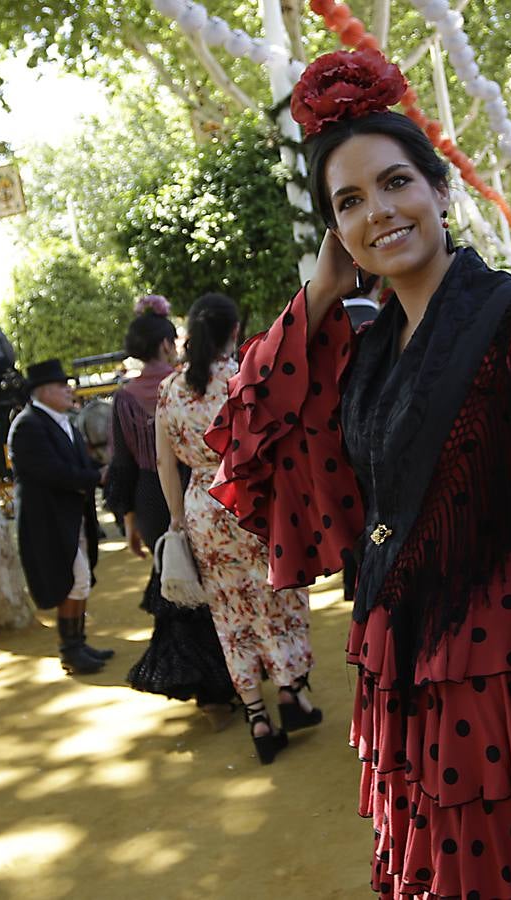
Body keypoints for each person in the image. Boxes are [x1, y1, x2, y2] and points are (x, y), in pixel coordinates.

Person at [206, 49, 511, 898]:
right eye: (349, 203)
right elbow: (252, 429)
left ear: (442, 190)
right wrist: (320, 294)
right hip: (399, 670)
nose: (379, 213)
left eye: (395, 183)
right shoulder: (362, 352)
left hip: (507, 674)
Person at [156, 292, 321, 765]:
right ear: (234, 331)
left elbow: (167, 467)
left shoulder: (169, 391)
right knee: (278, 598)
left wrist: (176, 520)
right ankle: (292, 694)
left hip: (202, 510)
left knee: (231, 615)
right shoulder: (243, 379)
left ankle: (257, 716)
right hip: (253, 503)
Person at [110, 296, 237, 722]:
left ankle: (204, 687)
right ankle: (232, 678)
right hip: (202, 489)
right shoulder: (190, 383)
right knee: (219, 588)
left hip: (150, 499)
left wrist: (127, 519)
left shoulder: (124, 396)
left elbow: (122, 465)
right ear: (168, 344)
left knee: (180, 589)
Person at [8, 359, 108, 676]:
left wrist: (95, 472)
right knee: (73, 579)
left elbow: (75, 463)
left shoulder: (62, 420)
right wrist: (96, 477)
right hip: (47, 519)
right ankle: (70, 649)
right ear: (43, 391)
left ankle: (78, 643)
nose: (69, 390)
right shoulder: (28, 425)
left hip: (70, 514)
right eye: (62, 385)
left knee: (80, 579)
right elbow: (52, 472)